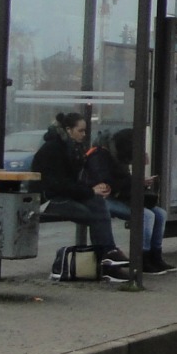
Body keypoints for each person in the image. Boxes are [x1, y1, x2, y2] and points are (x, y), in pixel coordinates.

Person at [32, 111, 131, 281]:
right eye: (81, 131)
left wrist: (93, 189)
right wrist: (90, 191)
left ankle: (108, 256)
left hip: (66, 194)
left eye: (85, 131)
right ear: (68, 130)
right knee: (94, 215)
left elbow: (74, 182)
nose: (84, 135)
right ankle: (108, 258)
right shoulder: (53, 149)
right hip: (50, 199)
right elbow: (59, 184)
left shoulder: (71, 148)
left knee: (98, 204)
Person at [88, 129, 175, 274]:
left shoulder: (117, 156)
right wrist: (135, 181)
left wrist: (137, 179)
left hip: (120, 196)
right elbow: (107, 182)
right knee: (146, 215)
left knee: (160, 214)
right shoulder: (100, 155)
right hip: (104, 198)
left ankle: (156, 255)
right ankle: (142, 257)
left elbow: (124, 179)